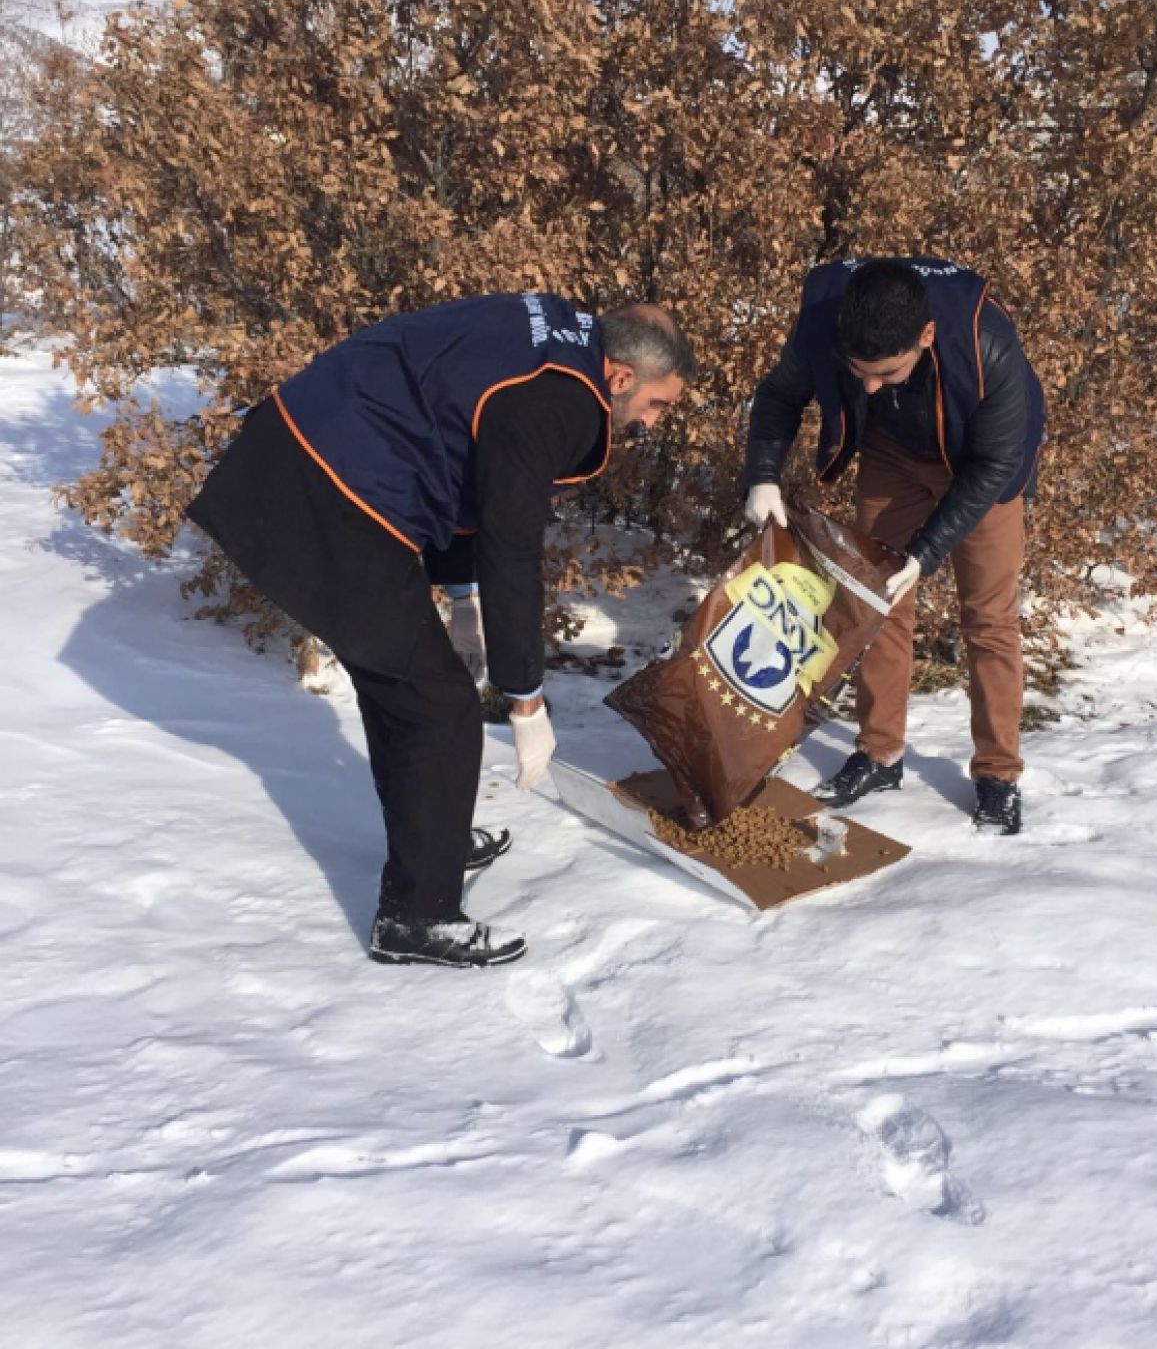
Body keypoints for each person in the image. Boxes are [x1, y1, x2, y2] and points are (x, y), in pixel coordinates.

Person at [188, 292, 695, 966]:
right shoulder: (563, 398)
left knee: (405, 683)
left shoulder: (560, 336)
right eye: (658, 405)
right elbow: (512, 540)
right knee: (440, 705)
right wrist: (525, 697)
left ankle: (435, 840)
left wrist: (461, 594)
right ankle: (415, 918)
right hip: (321, 491)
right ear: (622, 376)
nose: (653, 422)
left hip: (311, 464)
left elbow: (462, 445)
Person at [742, 256, 1044, 833]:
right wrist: (762, 475)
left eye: (886, 371)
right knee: (877, 602)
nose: (871, 385)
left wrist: (926, 552)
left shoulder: (989, 347)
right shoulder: (825, 321)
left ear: (927, 336)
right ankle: (879, 752)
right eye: (860, 372)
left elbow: (998, 462)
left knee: (988, 617)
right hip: (893, 454)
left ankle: (998, 774)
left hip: (984, 470)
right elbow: (781, 394)